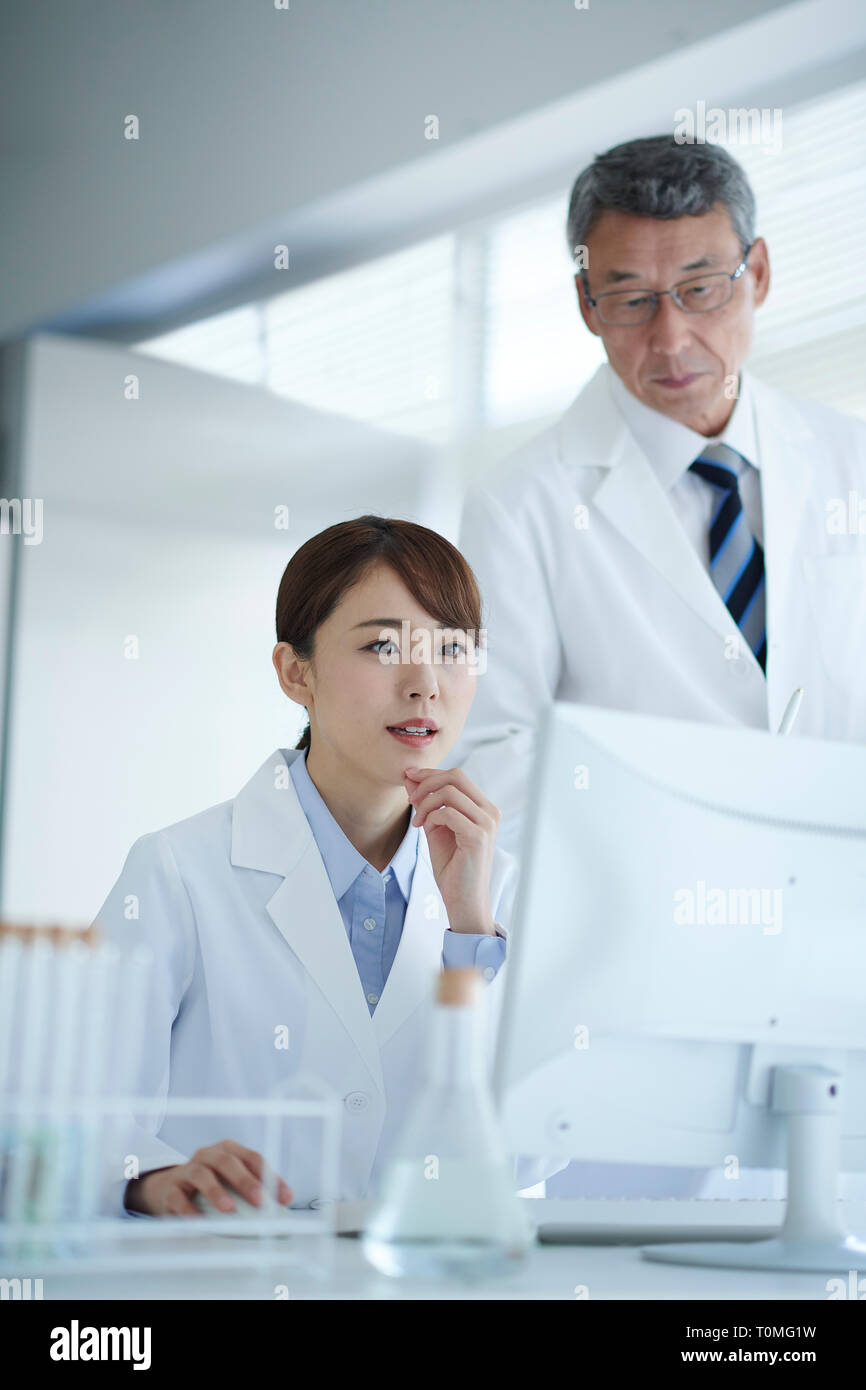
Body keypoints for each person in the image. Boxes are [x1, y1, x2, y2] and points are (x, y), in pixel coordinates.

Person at [93, 515, 554, 1219]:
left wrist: (468, 937)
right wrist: (155, 1179)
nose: (426, 683)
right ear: (295, 672)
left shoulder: (501, 891)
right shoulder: (179, 873)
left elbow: (533, 1153)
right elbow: (68, 1113)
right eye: (381, 646)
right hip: (218, 1278)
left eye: (453, 649)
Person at [452, 134, 866, 859]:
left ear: (758, 273)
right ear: (586, 302)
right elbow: (491, 767)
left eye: (702, 289)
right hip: (654, 913)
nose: (671, 338)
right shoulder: (519, 506)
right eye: (631, 299)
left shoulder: (849, 458)